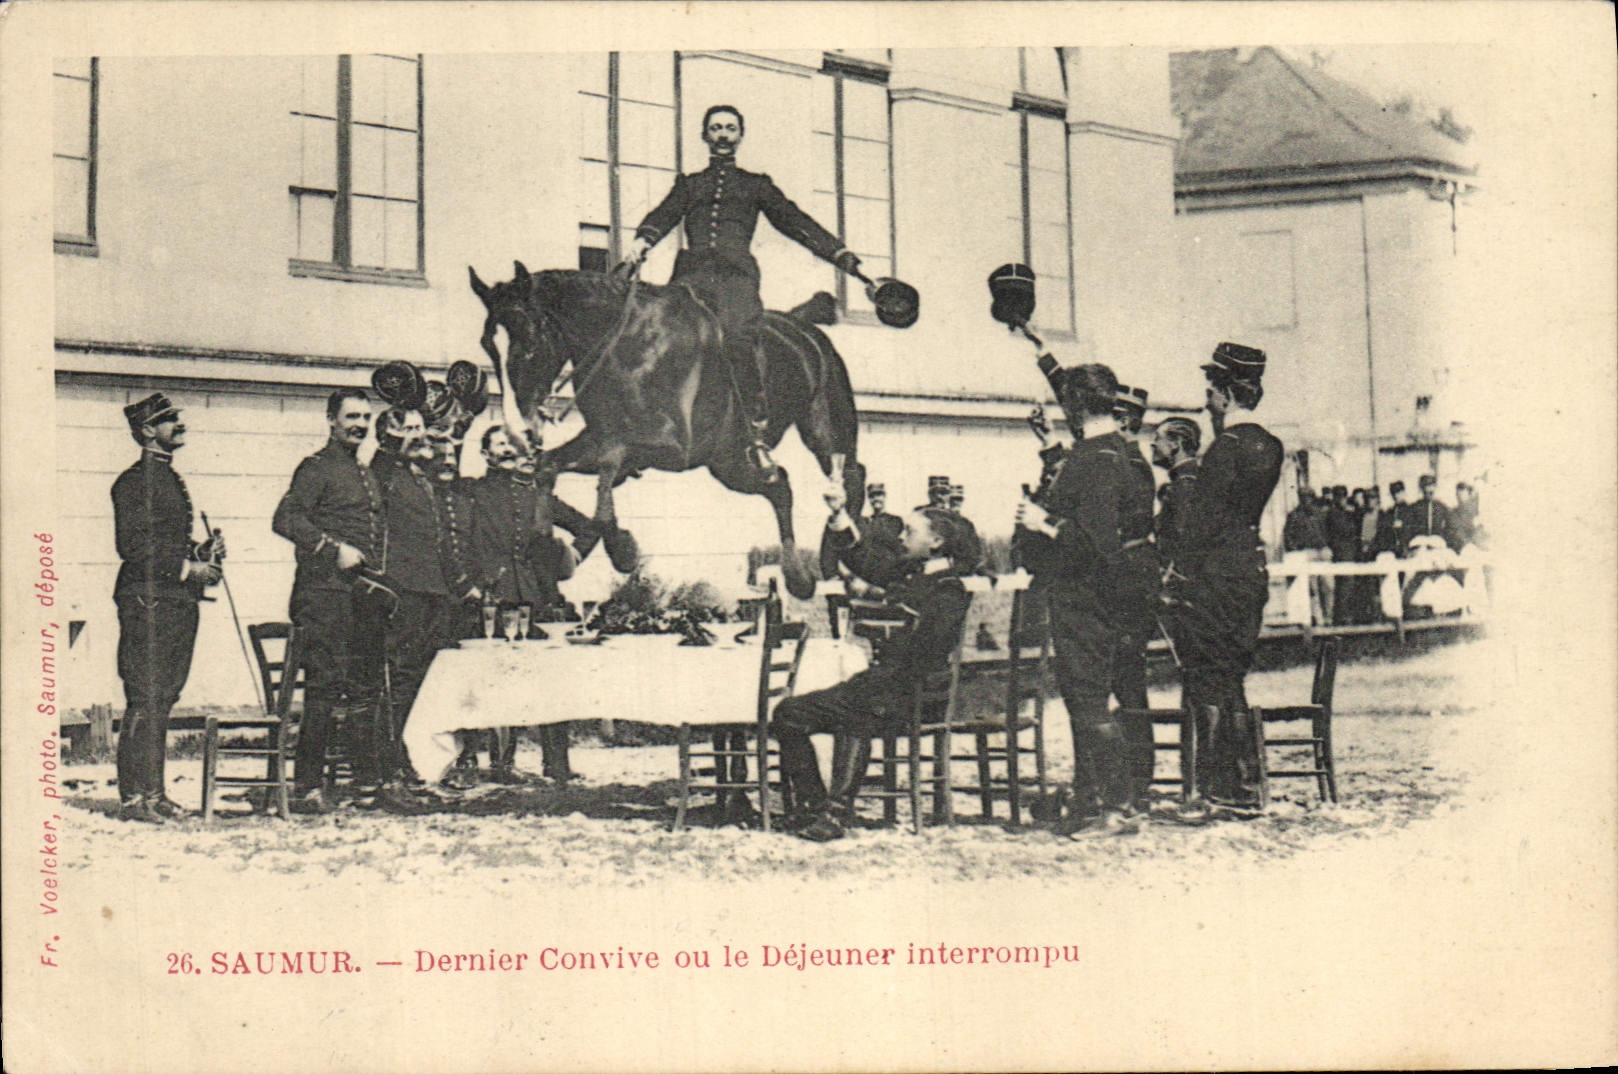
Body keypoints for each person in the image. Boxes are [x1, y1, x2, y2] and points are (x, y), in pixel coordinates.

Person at [620, 104, 861, 478]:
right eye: (716, 128)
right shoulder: (690, 185)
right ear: (705, 136)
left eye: (730, 128)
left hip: (735, 283)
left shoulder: (756, 185)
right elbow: (664, 214)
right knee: (656, 336)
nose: (722, 135)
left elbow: (795, 222)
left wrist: (840, 255)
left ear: (740, 136)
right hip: (690, 281)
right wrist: (642, 241)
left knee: (736, 340)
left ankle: (755, 430)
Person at [771, 502, 974, 842]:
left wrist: (883, 626)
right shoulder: (910, 572)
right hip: (883, 686)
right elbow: (863, 560)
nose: (902, 536)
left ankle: (835, 815)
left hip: (917, 693)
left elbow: (925, 652)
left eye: (910, 531)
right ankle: (814, 806)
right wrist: (839, 515)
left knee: (856, 711)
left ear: (936, 541)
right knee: (788, 713)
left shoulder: (949, 588)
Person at [1014, 363, 1140, 837]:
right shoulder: (1110, 451)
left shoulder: (1096, 459)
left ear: (1075, 404)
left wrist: (1042, 523)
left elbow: (1095, 542)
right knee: (1085, 699)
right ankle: (1094, 802)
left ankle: (1117, 808)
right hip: (1092, 596)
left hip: (1084, 597)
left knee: (1087, 700)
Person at [1163, 342, 1283, 820]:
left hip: (1215, 577)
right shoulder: (1269, 446)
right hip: (1249, 571)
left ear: (1227, 394)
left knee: (1209, 683)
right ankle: (1246, 787)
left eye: (1211, 391)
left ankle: (1220, 791)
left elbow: (1201, 523)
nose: (1208, 401)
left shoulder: (1225, 449)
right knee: (1232, 679)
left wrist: (1178, 575)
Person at [272, 388, 392, 815]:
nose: (360, 425)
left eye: (365, 418)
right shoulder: (316, 468)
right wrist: (331, 548)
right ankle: (307, 788)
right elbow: (285, 519)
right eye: (351, 417)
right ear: (331, 419)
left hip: (361, 599)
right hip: (323, 597)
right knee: (323, 690)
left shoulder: (365, 473)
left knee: (364, 691)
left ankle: (366, 785)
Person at [109, 393, 222, 823]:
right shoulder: (133, 482)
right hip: (147, 601)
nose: (180, 425)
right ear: (147, 430)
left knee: (164, 698)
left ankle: (155, 794)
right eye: (169, 419)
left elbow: (166, 540)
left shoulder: (167, 476)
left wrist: (201, 551)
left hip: (172, 601)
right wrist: (188, 568)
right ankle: (133, 799)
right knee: (144, 696)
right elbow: (133, 547)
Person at [1109, 383, 1159, 797]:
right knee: (1122, 678)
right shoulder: (1124, 459)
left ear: (1123, 419)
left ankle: (1138, 776)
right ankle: (1127, 774)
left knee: (1127, 680)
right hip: (1124, 576)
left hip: (1129, 579)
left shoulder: (1130, 464)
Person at [1150, 416, 1202, 568]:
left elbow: (1183, 538)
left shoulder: (1186, 482)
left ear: (1175, 443)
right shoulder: (1189, 478)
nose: (1153, 444)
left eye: (1158, 438)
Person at [1282, 490, 1331, 626]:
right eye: (1304, 498)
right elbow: (1288, 537)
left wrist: (1326, 546)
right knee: (1312, 588)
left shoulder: (1319, 514)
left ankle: (1329, 617)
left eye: (1310, 498)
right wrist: (1298, 552)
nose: (1307, 501)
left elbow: (1327, 532)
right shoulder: (1294, 516)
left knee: (1328, 585)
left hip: (1321, 551)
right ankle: (1318, 618)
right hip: (1306, 553)